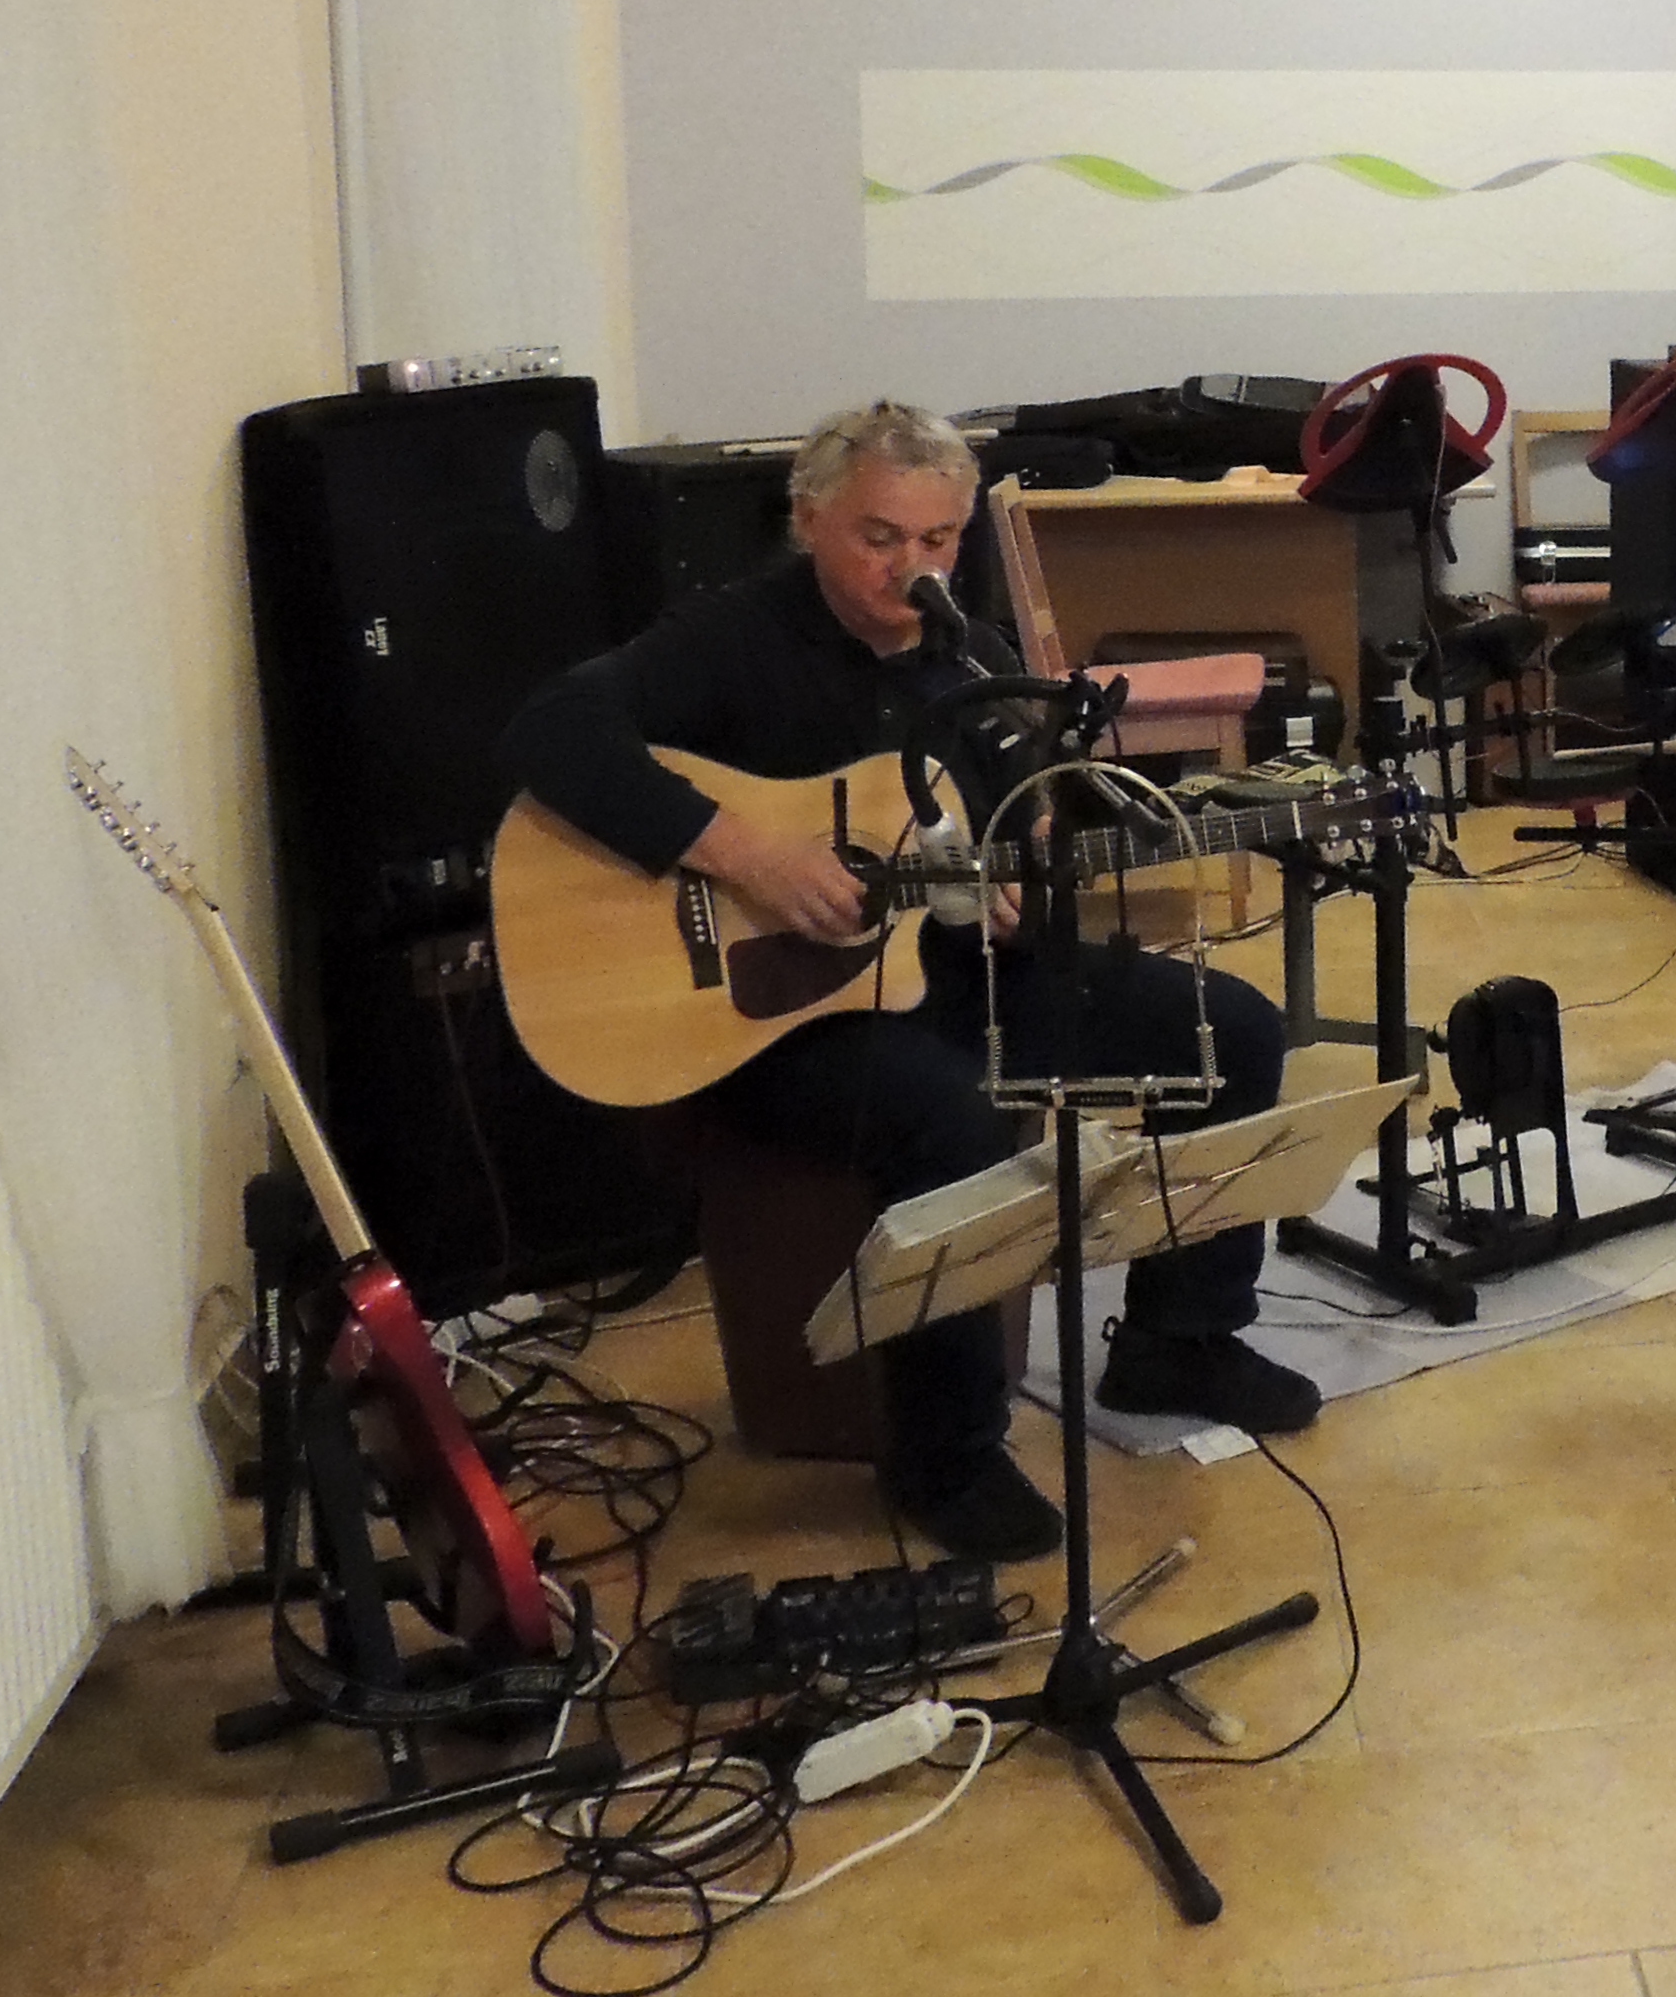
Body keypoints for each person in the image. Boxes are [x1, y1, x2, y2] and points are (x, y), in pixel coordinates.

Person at [501, 399, 1317, 1562]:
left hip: (946, 979)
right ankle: (948, 1458)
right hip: (775, 1019)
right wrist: (747, 854)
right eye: (879, 537)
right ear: (809, 521)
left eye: (936, 540)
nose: (910, 568)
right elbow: (549, 731)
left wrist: (1019, 894)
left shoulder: (972, 662)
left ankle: (1178, 1341)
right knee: (954, 1123)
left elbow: (1013, 852)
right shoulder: (733, 640)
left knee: (1230, 1028)